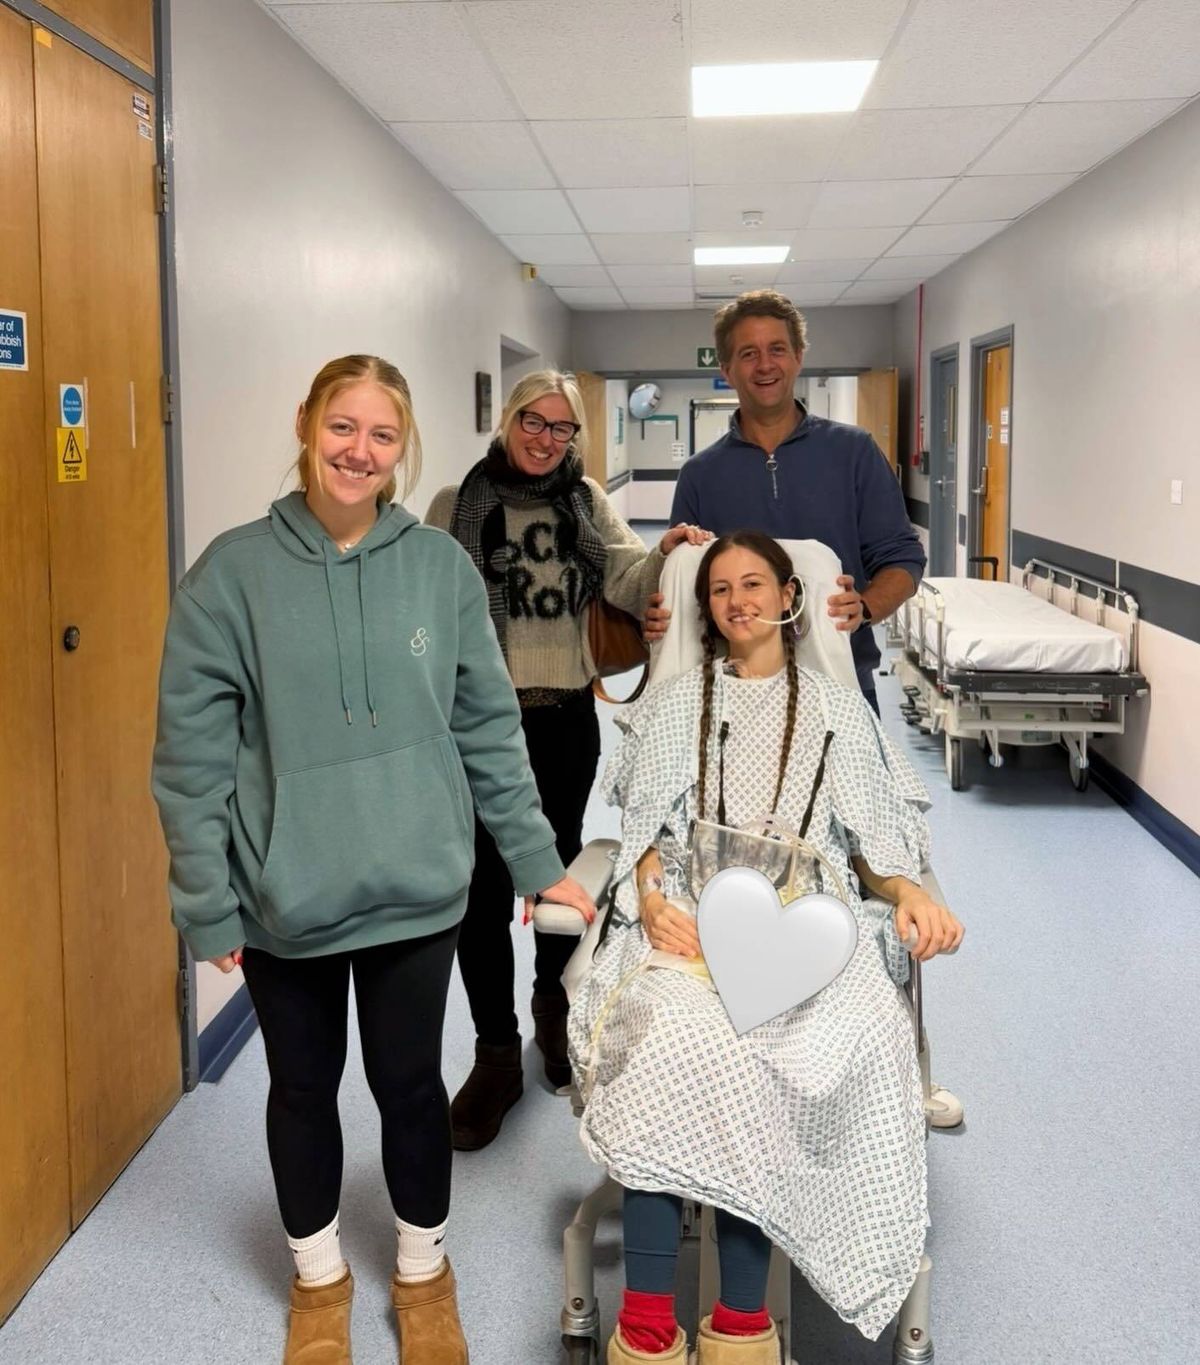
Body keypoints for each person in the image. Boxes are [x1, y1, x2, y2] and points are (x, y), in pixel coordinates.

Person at [152, 354, 594, 1365]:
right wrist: (205, 902)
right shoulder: (231, 573)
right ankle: (318, 1282)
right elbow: (189, 759)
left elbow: (488, 728)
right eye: (342, 427)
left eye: (381, 435)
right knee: (301, 1091)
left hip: (415, 891)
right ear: (307, 424)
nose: (359, 451)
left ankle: (422, 1271)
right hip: (285, 899)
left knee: (409, 1090)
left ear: (405, 449)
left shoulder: (439, 568)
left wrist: (535, 861)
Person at [567, 531, 963, 1364]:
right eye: (719, 589)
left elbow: (872, 846)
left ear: (790, 598)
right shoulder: (678, 706)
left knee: (815, 1041)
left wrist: (913, 893)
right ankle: (645, 1322)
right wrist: (648, 895)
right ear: (706, 610)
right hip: (686, 916)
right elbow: (646, 830)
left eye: (755, 583)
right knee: (668, 1040)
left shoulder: (834, 709)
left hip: (808, 928)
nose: (738, 599)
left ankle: (741, 1323)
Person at [425, 369, 710, 1151]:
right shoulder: (455, 506)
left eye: (562, 428)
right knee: (478, 889)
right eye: (534, 422)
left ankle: (552, 1013)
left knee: (557, 880)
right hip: (475, 727)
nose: (547, 439)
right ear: (509, 420)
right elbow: (424, 604)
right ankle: (494, 1054)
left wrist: (671, 555)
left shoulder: (586, 503)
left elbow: (628, 572)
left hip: (562, 721)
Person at [650, 289, 926, 716]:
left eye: (777, 349)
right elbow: (687, 580)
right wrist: (657, 612)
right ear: (726, 368)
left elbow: (903, 558)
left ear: (798, 356)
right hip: (733, 696)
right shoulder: (700, 474)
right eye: (748, 353)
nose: (765, 364)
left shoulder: (854, 453)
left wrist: (865, 607)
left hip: (840, 687)